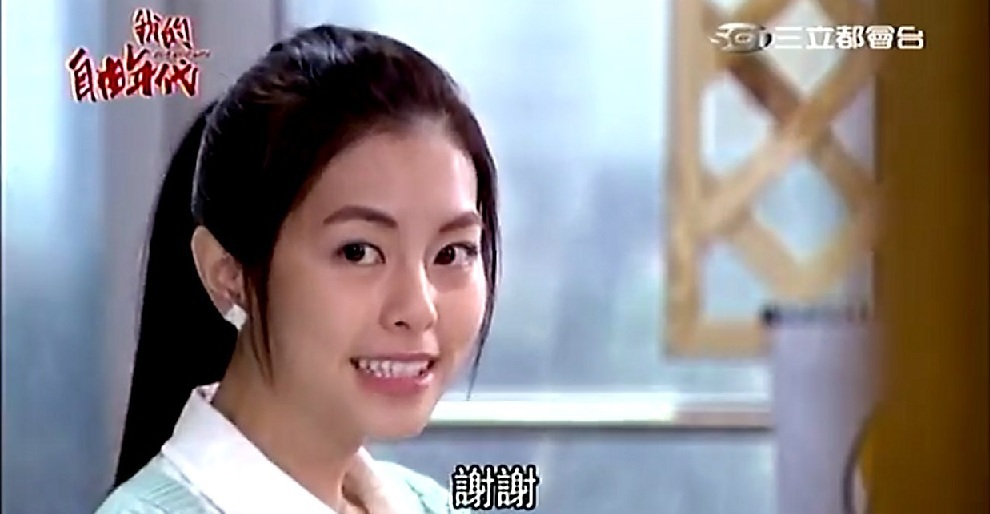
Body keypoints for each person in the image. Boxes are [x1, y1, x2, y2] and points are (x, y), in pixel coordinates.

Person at [96, 23, 500, 514]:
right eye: (358, 252)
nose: (418, 309)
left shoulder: (430, 503)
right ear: (227, 272)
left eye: (452, 253)